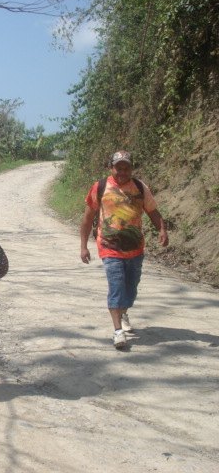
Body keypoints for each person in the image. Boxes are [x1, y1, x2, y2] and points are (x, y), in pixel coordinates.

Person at [80, 150, 169, 349]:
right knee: (116, 285)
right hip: (109, 247)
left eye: (126, 167)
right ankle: (118, 330)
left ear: (131, 168)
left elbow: (153, 211)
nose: (122, 171)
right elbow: (87, 219)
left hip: (135, 248)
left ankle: (123, 312)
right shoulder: (100, 187)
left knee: (131, 287)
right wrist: (84, 246)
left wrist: (162, 229)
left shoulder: (139, 187)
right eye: (118, 167)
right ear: (111, 168)